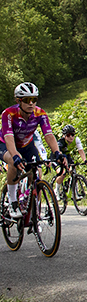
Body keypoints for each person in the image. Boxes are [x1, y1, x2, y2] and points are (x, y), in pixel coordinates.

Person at [0, 83, 64, 219]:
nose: (31, 103)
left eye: (34, 100)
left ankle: (34, 208)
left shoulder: (40, 113)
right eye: (27, 100)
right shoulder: (8, 114)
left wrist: (57, 152)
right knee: (13, 162)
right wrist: (15, 155)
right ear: (18, 101)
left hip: (27, 146)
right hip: (5, 144)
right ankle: (13, 202)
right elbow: (9, 137)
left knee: (37, 172)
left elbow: (49, 135)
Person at [52, 124, 87, 199]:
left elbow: (81, 151)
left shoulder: (76, 140)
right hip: (57, 156)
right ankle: (56, 190)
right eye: (68, 135)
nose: (71, 137)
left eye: (72, 135)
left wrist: (85, 160)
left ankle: (75, 193)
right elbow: (59, 151)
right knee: (62, 173)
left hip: (67, 155)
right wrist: (62, 159)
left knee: (73, 171)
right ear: (64, 136)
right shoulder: (61, 142)